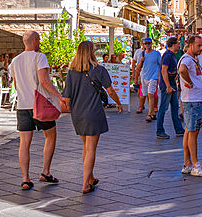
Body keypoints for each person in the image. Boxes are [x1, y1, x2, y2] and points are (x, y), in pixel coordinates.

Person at [60, 41, 122, 194]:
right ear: (92, 52)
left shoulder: (72, 72)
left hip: (78, 114)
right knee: (91, 149)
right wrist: (119, 103)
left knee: (86, 147)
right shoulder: (98, 70)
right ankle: (85, 184)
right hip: (93, 112)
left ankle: (90, 177)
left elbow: (66, 97)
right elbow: (110, 90)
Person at [9, 30, 63, 191]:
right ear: (34, 40)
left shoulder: (15, 61)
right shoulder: (40, 57)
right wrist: (59, 96)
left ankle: (26, 179)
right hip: (40, 105)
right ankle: (45, 172)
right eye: (38, 39)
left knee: (24, 143)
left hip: (23, 106)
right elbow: (44, 81)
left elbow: (16, 85)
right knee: (51, 136)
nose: (40, 42)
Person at [178, 35, 202, 177]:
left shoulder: (191, 59)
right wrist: (190, 82)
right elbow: (182, 70)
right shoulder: (186, 59)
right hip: (193, 101)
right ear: (190, 45)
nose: (201, 48)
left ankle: (187, 163)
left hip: (192, 100)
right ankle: (195, 164)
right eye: (198, 46)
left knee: (189, 131)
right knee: (193, 132)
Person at [156, 37, 184, 140]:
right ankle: (159, 131)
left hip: (172, 84)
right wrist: (168, 85)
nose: (179, 45)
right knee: (163, 108)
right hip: (168, 85)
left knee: (174, 108)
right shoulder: (168, 55)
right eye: (177, 43)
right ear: (172, 44)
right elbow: (164, 70)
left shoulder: (171, 55)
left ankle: (179, 129)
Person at [137, 38, 161, 122]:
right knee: (147, 95)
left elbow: (160, 64)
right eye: (145, 43)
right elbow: (139, 67)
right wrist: (140, 61)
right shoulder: (142, 54)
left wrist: (159, 76)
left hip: (153, 77)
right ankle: (153, 113)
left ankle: (149, 114)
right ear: (143, 45)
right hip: (144, 77)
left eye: (149, 43)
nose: (147, 45)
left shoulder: (156, 54)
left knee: (151, 94)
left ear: (151, 44)